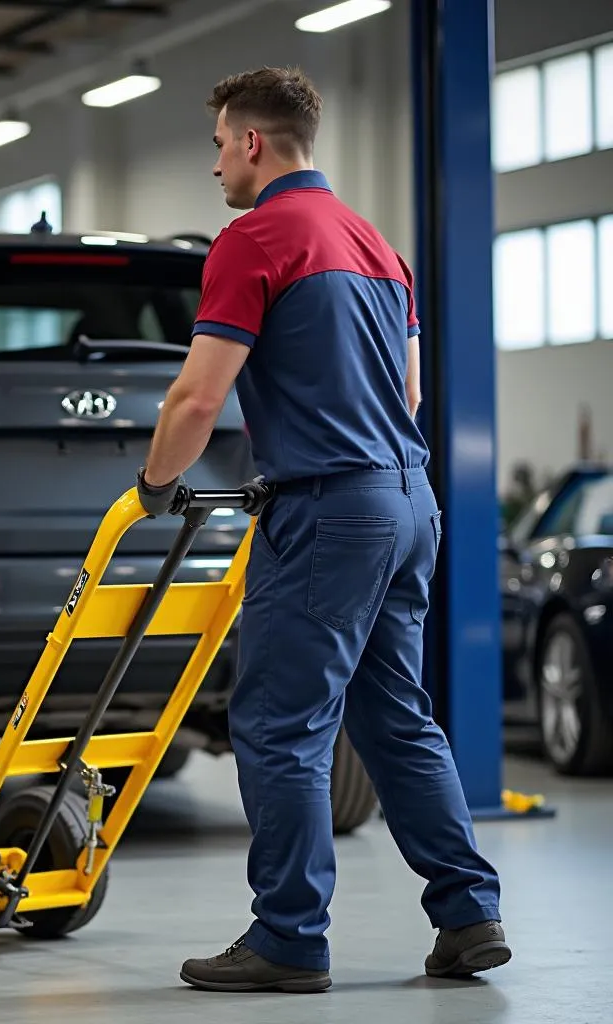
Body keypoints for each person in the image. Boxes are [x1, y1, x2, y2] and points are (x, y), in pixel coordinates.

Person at [134, 66, 509, 994]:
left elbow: (197, 395)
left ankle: (290, 936)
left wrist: (151, 486)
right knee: (394, 714)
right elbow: (411, 394)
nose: (217, 163)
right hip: (408, 500)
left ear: (253, 143)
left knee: (279, 722)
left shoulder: (254, 239)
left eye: (221, 143)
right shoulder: (378, 245)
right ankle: (468, 914)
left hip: (329, 510)